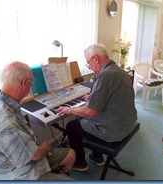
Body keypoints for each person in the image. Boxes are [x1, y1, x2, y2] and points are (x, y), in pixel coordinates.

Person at [0, 61, 76, 180]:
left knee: (71, 155)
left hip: (24, 157)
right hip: (14, 174)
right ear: (25, 82)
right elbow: (35, 155)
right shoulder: (3, 118)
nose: (31, 86)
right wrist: (45, 147)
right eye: (31, 82)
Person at [56, 43, 137, 171]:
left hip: (114, 131)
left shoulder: (104, 75)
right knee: (84, 121)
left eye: (89, 64)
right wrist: (94, 98)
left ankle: (80, 162)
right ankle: (97, 156)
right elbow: (114, 97)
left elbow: (91, 111)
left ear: (96, 59)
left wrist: (70, 109)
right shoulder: (119, 71)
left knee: (72, 126)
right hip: (126, 123)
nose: (90, 68)